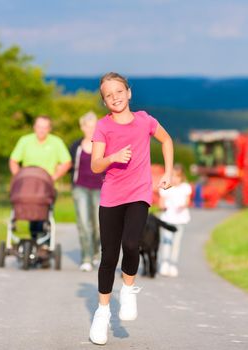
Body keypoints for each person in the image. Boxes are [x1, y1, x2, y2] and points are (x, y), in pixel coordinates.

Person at [89, 72, 174, 345]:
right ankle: (102, 313)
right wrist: (113, 157)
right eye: (108, 95)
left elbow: (167, 140)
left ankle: (127, 289)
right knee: (109, 255)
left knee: (132, 242)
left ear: (129, 93)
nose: (115, 97)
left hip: (139, 193)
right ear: (104, 101)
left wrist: (169, 172)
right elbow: (95, 165)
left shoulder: (144, 121)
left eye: (119, 91)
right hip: (111, 196)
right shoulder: (103, 127)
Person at [9, 116, 72, 241]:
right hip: (27, 185)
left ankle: (44, 242)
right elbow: (13, 160)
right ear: (34, 127)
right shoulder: (25, 141)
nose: (41, 130)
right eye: (39, 127)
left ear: (49, 129)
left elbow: (67, 162)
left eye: (45, 127)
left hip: (46, 186)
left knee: (44, 215)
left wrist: (53, 177)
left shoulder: (56, 142)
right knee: (30, 211)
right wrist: (18, 177)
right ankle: (35, 239)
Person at [69, 111, 103, 272]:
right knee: (83, 223)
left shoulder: (103, 145)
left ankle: (97, 253)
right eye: (87, 126)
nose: (90, 129)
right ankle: (86, 257)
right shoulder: (76, 146)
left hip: (100, 188)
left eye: (93, 126)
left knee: (98, 224)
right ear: (82, 127)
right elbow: (68, 166)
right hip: (80, 188)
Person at [158, 164, 192, 277]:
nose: (174, 179)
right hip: (168, 218)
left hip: (179, 219)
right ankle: (165, 262)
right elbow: (161, 200)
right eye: (172, 176)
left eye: (177, 176)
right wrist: (162, 206)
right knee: (166, 241)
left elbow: (187, 201)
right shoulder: (167, 187)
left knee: (176, 243)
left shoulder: (185, 187)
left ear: (181, 177)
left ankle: (173, 263)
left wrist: (183, 206)